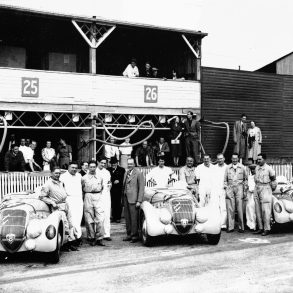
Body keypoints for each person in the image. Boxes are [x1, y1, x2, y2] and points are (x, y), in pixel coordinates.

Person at [40, 166, 77, 250]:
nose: (58, 175)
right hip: (57, 207)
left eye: (59, 173)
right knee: (65, 226)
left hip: (65, 205)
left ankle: (70, 242)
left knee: (70, 224)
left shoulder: (61, 182)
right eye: (56, 173)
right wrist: (52, 202)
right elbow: (42, 197)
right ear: (51, 173)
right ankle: (64, 245)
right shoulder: (48, 184)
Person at [81, 160, 105, 246]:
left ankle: (99, 238)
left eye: (94, 167)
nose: (92, 169)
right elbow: (82, 188)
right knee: (89, 218)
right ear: (88, 168)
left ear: (96, 167)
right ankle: (91, 238)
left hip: (98, 196)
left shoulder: (100, 177)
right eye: (90, 167)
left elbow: (102, 187)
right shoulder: (83, 178)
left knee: (100, 218)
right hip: (88, 196)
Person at [60, 161, 83, 247]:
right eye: (72, 167)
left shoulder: (79, 176)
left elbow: (83, 185)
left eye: (75, 168)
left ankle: (78, 236)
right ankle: (71, 238)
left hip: (78, 199)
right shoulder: (63, 176)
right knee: (71, 220)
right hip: (69, 199)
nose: (74, 169)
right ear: (68, 167)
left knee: (78, 219)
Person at [253, 153, 277, 236]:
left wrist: (270, 190)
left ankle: (267, 228)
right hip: (257, 187)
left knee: (265, 210)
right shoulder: (256, 168)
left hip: (265, 188)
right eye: (258, 159)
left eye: (260, 159)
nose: (258, 161)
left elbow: (274, 181)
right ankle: (260, 228)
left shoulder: (269, 169)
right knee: (257, 209)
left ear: (264, 159)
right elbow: (255, 178)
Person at [224, 153, 248, 233]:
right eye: (233, 158)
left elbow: (245, 179)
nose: (234, 160)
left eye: (236, 158)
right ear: (231, 159)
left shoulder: (242, 167)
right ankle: (230, 227)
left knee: (240, 207)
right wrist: (226, 188)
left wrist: (244, 190)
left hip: (239, 187)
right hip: (230, 187)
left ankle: (241, 227)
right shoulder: (227, 167)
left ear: (238, 159)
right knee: (230, 208)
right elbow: (225, 180)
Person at [122, 158, 144, 242]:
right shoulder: (126, 172)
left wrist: (139, 200)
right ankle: (129, 234)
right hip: (126, 198)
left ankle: (135, 235)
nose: (130, 165)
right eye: (128, 164)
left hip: (134, 199)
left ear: (134, 164)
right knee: (127, 218)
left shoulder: (138, 173)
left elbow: (141, 188)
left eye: (131, 164)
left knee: (134, 218)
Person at [96, 156, 112, 241]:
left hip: (106, 194)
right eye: (101, 162)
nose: (103, 164)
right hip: (97, 195)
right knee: (98, 215)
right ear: (98, 162)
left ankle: (107, 234)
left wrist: (109, 186)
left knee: (107, 214)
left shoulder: (107, 172)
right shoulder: (94, 171)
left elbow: (109, 182)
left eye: (104, 163)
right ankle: (98, 234)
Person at [211, 153, 227, 229]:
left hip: (223, 190)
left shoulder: (227, 167)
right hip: (215, 189)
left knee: (223, 207)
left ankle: (223, 224)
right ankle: (215, 223)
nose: (220, 160)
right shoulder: (214, 168)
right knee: (215, 207)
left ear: (224, 159)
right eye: (218, 159)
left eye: (221, 158)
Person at [108, 157, 125, 223]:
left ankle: (118, 217)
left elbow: (123, 179)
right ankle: (113, 217)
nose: (113, 165)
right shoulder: (108, 170)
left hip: (118, 189)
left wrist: (119, 181)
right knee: (112, 203)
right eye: (112, 164)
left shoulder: (121, 169)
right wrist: (112, 181)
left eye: (114, 163)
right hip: (111, 189)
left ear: (117, 163)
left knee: (118, 203)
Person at [246, 161, 257, 231]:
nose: (253, 170)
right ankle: (249, 224)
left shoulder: (257, 176)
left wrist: (252, 190)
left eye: (254, 169)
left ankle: (254, 225)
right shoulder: (249, 176)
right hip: (249, 194)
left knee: (252, 209)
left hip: (254, 195)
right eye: (251, 169)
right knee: (248, 208)